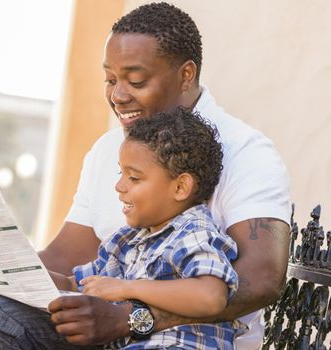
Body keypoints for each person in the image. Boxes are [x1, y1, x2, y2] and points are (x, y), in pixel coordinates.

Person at [0, 2, 291, 349]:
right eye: (110, 79)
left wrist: (129, 317)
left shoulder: (245, 152)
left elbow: (260, 280)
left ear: (186, 76)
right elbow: (63, 261)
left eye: (136, 80)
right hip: (104, 325)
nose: (117, 95)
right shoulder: (108, 150)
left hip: (184, 338)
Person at [49, 107, 241, 349]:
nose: (119, 186)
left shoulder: (193, 231)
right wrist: (16, 275)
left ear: (181, 187)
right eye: (121, 173)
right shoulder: (126, 241)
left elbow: (211, 297)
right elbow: (77, 285)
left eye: (134, 178)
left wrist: (128, 288)